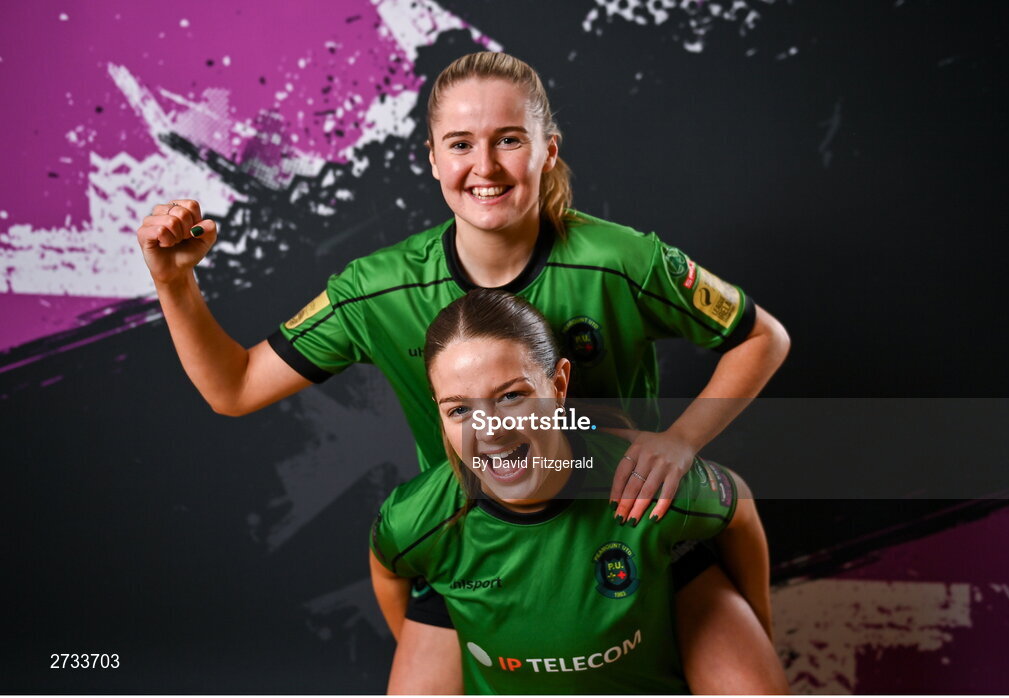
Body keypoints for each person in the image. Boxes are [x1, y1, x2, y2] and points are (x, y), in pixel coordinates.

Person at [136, 51, 788, 527]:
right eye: (460, 145)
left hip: (624, 530)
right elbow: (235, 387)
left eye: (509, 140)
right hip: (477, 552)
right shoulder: (378, 289)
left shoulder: (623, 261)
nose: (485, 167)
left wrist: (679, 442)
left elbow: (763, 336)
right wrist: (174, 281)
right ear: (431, 159)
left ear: (548, 151)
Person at [369, 289, 788, 694]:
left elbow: (740, 505)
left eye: (512, 396)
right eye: (459, 409)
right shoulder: (420, 518)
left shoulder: (643, 483)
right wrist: (441, 624)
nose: (490, 430)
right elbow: (386, 564)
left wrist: (760, 625)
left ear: (559, 385)